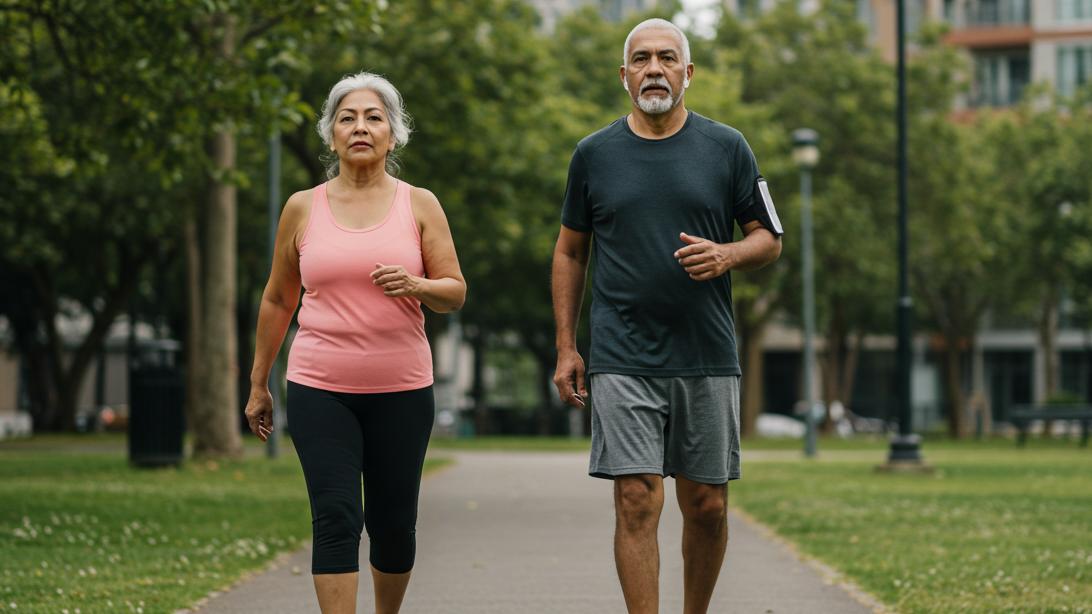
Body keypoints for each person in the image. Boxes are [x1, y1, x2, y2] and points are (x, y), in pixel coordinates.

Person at [551, 18, 783, 614]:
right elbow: (570, 251)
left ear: (688, 72)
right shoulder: (594, 155)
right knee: (636, 498)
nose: (654, 68)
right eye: (642, 59)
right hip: (622, 355)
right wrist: (566, 347)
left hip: (705, 354)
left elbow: (769, 239)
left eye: (667, 58)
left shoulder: (727, 147)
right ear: (624, 74)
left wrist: (727, 253)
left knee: (707, 505)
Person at [244, 71, 466, 614]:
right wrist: (258, 383)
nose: (360, 127)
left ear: (393, 135)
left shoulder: (420, 204)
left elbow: (454, 292)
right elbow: (277, 299)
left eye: (373, 117)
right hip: (321, 388)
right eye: (347, 118)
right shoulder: (302, 207)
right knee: (336, 515)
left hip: (402, 390)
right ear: (331, 135)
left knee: (393, 525)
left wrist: (418, 285)